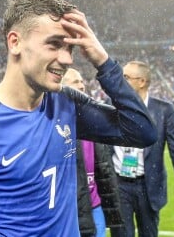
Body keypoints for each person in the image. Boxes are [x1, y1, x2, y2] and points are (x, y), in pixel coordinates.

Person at [0, 0, 157, 237]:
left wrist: (103, 61)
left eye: (69, 49)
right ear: (15, 42)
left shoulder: (66, 104)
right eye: (54, 45)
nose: (67, 59)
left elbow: (143, 132)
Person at [110, 60, 174, 237]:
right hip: (119, 185)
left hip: (148, 187)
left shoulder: (164, 110)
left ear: (142, 81)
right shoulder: (112, 107)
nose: (120, 80)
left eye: (126, 77)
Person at [63, 68, 123, 237]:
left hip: (95, 206)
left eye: (82, 81)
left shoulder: (93, 119)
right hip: (70, 209)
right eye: (75, 81)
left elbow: (104, 169)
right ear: (61, 86)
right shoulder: (56, 122)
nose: (82, 85)